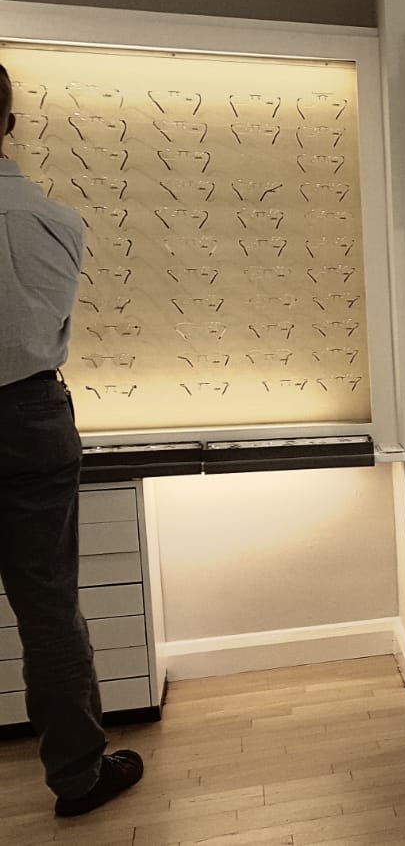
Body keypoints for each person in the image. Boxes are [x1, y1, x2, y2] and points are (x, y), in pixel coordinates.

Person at [0, 63, 145, 816]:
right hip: (30, 417)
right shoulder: (56, 220)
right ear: (11, 123)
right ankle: (79, 776)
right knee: (49, 608)